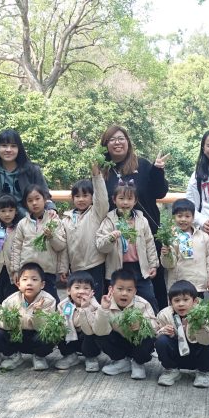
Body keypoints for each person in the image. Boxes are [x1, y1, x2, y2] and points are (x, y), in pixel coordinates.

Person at [99, 124, 170, 307]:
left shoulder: (143, 165)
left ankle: (158, 319)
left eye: (121, 138)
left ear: (128, 142)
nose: (117, 143)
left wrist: (158, 171)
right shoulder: (101, 170)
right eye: (112, 139)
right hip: (115, 237)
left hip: (146, 232)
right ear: (105, 145)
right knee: (119, 288)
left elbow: (160, 192)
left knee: (151, 287)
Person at [96, 181, 159, 312]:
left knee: (149, 298)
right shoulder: (109, 221)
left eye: (130, 199)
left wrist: (153, 264)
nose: (125, 202)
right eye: (121, 198)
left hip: (139, 268)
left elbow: (149, 243)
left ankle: (153, 323)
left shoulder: (141, 220)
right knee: (118, 303)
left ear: (135, 201)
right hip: (118, 268)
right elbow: (100, 246)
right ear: (114, 200)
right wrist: (111, 238)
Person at [0, 262, 57, 371]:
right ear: (18, 284)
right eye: (25, 279)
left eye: (34, 279)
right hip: (17, 336)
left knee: (50, 335)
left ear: (42, 284)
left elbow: (44, 327)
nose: (29, 283)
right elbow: (0, 321)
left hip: (35, 336)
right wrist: (12, 320)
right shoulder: (11, 300)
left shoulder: (48, 300)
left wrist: (37, 313)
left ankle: (39, 357)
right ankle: (14, 356)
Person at [92, 268, 158, 380]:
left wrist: (141, 325)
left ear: (135, 291)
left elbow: (155, 327)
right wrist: (103, 310)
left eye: (129, 290)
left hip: (136, 343)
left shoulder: (142, 304)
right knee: (99, 334)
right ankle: (121, 362)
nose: (124, 293)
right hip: (119, 343)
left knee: (149, 337)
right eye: (120, 289)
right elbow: (99, 331)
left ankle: (138, 363)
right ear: (111, 289)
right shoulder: (106, 303)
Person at [154, 280, 209, 388]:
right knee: (162, 340)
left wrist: (201, 327)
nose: (181, 304)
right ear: (170, 302)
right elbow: (154, 335)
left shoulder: (204, 314)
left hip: (197, 355)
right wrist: (162, 331)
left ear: (195, 301)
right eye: (176, 300)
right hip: (177, 355)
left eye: (185, 300)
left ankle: (203, 373)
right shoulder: (164, 315)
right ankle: (171, 370)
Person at [60, 166, 109, 299]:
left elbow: (102, 198)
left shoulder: (96, 213)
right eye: (77, 196)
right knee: (78, 299)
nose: (81, 199)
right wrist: (63, 268)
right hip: (75, 268)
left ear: (92, 197)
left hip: (95, 265)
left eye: (85, 195)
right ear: (72, 198)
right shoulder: (66, 220)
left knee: (95, 300)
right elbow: (64, 247)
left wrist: (96, 175)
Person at [10, 185, 66, 298]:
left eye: (37, 198)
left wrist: (51, 236)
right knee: (28, 301)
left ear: (45, 199)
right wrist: (15, 270)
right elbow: (16, 248)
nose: (34, 203)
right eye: (30, 200)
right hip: (27, 272)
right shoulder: (22, 224)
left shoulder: (53, 220)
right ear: (26, 203)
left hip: (47, 271)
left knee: (50, 301)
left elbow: (61, 246)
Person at [0, 129, 50, 218]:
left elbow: (45, 195)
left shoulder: (32, 170)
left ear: (19, 148)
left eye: (13, 146)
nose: (8, 150)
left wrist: (51, 209)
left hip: (30, 219)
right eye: (4, 145)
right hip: (3, 220)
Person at [159, 198, 209, 295]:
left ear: (193, 218)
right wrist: (166, 254)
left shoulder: (203, 237)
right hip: (178, 286)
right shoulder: (169, 237)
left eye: (187, 216)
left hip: (199, 285)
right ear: (173, 217)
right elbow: (168, 265)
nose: (183, 219)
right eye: (179, 216)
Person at [53, 271, 103, 372]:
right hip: (72, 338)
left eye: (86, 288)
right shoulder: (63, 305)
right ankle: (70, 355)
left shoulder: (95, 306)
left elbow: (95, 327)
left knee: (91, 333)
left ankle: (91, 357)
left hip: (87, 339)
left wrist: (85, 308)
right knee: (57, 327)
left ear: (92, 292)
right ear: (68, 291)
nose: (81, 291)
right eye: (77, 287)